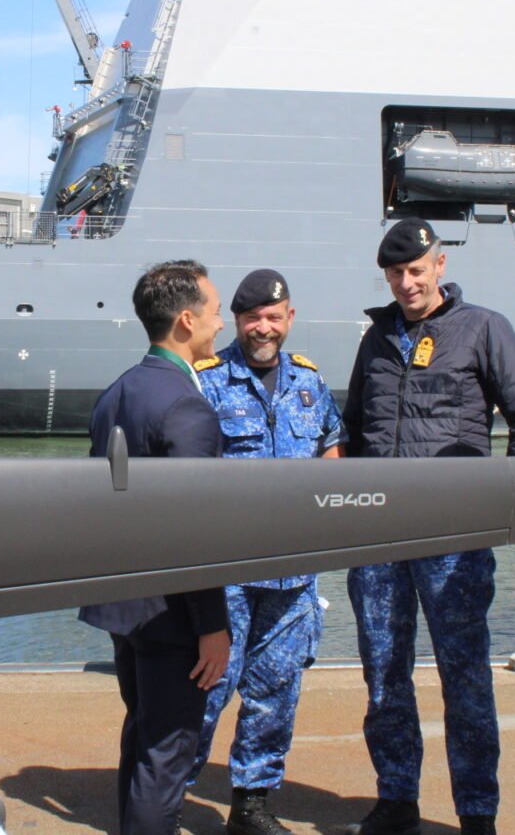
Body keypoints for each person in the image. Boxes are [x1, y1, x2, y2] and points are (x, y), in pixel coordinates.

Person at [341, 217, 515, 835]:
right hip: (379, 537)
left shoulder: (483, 329)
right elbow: (351, 433)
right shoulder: (375, 341)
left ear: (440, 266)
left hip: (454, 540)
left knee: (465, 677)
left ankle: (477, 813)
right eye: (396, 274)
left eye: (416, 271)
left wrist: (505, 506)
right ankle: (397, 798)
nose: (406, 284)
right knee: (384, 674)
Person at [188, 269, 346, 835]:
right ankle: (166, 793)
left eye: (273, 318)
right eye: (253, 318)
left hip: (293, 575)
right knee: (208, 687)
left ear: (289, 319)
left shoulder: (309, 380)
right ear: (237, 321)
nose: (263, 328)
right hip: (228, 570)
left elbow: (331, 443)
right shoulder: (208, 381)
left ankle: (251, 805)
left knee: (275, 693)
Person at [83, 259, 233, 835]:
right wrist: (212, 624)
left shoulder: (115, 394)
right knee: (167, 755)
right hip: (173, 613)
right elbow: (194, 528)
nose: (221, 325)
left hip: (125, 605)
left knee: (143, 734)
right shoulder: (187, 405)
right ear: (186, 320)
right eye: (216, 313)